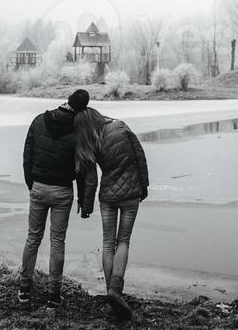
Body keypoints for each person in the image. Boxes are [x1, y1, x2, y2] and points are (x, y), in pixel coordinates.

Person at [75, 102, 150, 320]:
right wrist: (143, 186)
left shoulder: (89, 141)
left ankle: (111, 294)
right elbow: (140, 157)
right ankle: (116, 291)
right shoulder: (120, 127)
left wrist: (86, 206)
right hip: (130, 194)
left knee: (108, 243)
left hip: (108, 196)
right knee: (123, 240)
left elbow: (90, 178)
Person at [19, 88, 91, 307]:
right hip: (62, 192)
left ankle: (24, 290)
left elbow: (27, 156)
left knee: (33, 238)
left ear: (67, 101)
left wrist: (32, 184)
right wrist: (81, 197)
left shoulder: (39, 120)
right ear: (82, 109)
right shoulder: (79, 131)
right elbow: (80, 169)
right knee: (57, 242)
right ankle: (53, 295)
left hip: (39, 187)